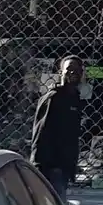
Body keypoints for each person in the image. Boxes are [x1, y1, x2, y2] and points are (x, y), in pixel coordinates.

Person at [30, 57, 85, 196]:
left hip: (64, 166)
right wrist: (38, 164)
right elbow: (41, 132)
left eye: (77, 70)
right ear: (61, 72)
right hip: (51, 167)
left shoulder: (75, 99)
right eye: (69, 69)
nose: (73, 73)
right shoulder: (53, 98)